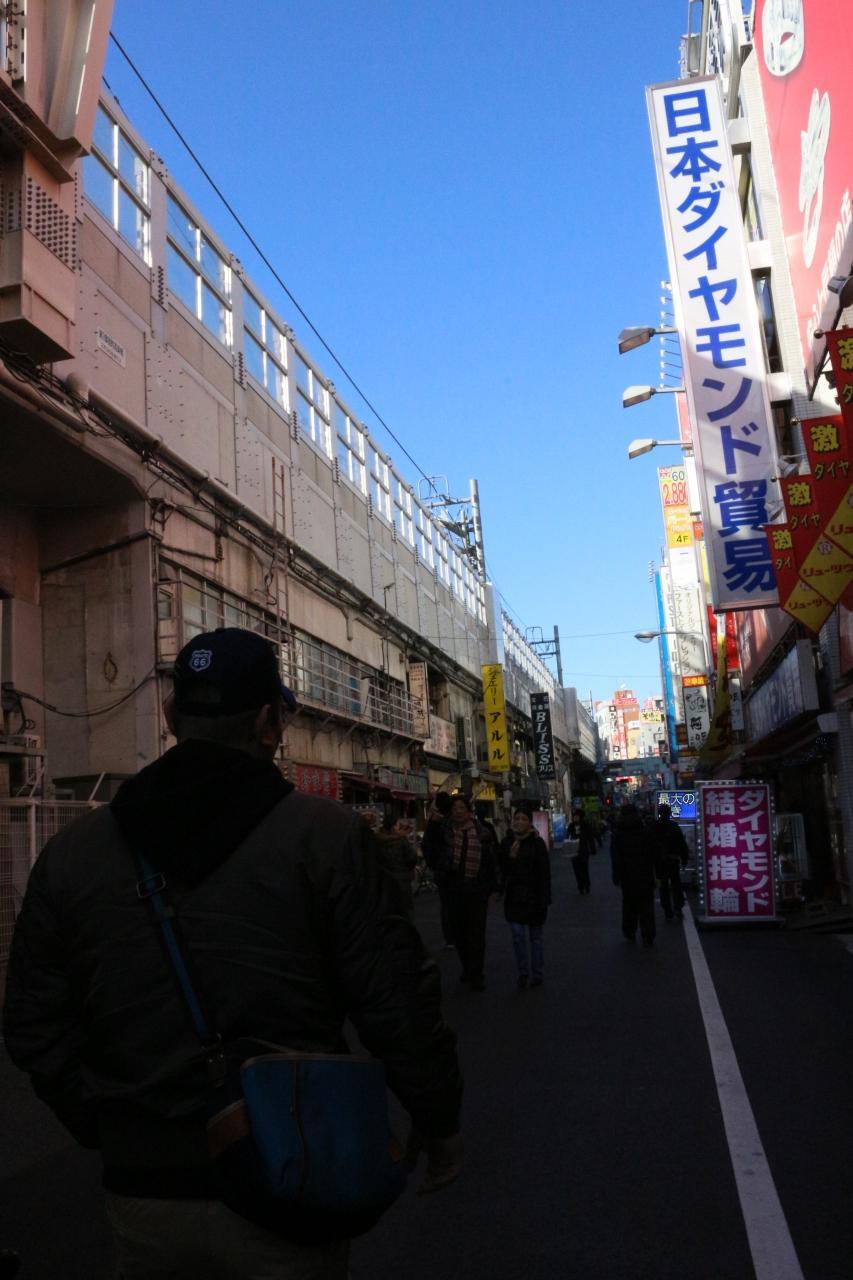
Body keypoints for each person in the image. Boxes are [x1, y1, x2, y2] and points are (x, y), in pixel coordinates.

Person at [3, 628, 463, 1280]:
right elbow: (395, 1001)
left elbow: (31, 1019)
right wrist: (436, 1115)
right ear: (270, 722)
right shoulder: (326, 838)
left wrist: (105, 1120)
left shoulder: (74, 854)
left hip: (143, 1189)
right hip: (289, 1170)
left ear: (171, 715)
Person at [422, 793, 498, 991]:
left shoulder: (482, 831)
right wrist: (432, 824)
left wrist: (494, 887)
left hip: (476, 888)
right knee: (459, 932)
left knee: (476, 933)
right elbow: (429, 850)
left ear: (469, 811)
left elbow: (492, 860)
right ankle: (467, 966)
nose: (458, 812)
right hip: (452, 888)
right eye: (455, 808)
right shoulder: (444, 830)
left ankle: (476, 973)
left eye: (462, 808)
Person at [498, 809, 551, 988]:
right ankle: (523, 972)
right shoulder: (507, 842)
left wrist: (545, 898)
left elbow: (544, 873)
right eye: (517, 818)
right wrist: (510, 858)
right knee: (517, 935)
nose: (519, 821)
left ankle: (537, 972)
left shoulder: (537, 843)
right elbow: (502, 870)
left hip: (535, 896)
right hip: (514, 897)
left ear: (530, 823)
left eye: (524, 819)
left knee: (535, 937)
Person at [611, 802, 657, 946]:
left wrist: (616, 876)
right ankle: (648, 933)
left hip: (627, 876)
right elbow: (654, 853)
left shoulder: (617, 834)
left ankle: (629, 931)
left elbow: (615, 858)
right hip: (645, 873)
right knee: (646, 905)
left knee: (629, 904)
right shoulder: (645, 831)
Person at [651, 803, 690, 920]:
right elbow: (682, 844)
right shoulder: (674, 826)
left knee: (663, 886)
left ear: (659, 814)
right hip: (673, 860)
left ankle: (667, 910)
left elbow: (650, 845)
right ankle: (678, 907)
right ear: (669, 813)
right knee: (676, 884)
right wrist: (684, 859)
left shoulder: (654, 826)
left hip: (660, 862)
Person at [376, 814, 418, 918]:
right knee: (406, 910)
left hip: (385, 881)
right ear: (393, 827)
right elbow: (412, 858)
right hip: (402, 879)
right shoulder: (401, 840)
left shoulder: (377, 841)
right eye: (398, 825)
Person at [571, 810, 596, 895]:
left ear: (580, 817)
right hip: (574, 850)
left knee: (584, 869)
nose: (575, 818)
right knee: (576, 870)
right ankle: (580, 886)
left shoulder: (586, 825)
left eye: (576, 816)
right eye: (574, 816)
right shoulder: (571, 826)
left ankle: (587, 885)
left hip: (583, 851)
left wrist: (592, 849)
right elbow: (568, 836)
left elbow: (590, 838)